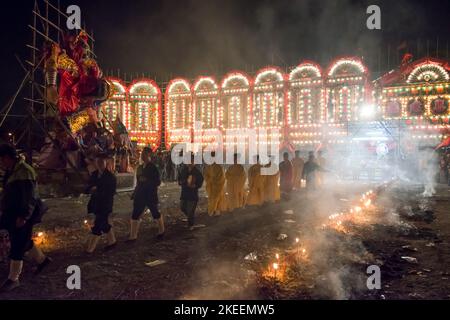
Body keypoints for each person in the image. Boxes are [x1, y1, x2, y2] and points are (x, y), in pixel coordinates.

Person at [0, 144, 51, 292]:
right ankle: (43, 260)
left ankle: (13, 278)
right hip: (12, 212)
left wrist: (24, 216)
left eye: (2, 160)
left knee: (17, 244)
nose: (1, 163)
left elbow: (30, 197)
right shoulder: (12, 170)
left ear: (8, 158)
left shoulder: (25, 172)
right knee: (23, 240)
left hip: (22, 214)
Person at [128, 147, 164, 241]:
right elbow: (138, 183)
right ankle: (133, 236)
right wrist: (135, 193)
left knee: (155, 213)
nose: (142, 156)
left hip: (150, 195)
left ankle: (161, 230)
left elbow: (158, 182)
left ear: (149, 155)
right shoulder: (139, 168)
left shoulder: (153, 168)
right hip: (140, 195)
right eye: (142, 154)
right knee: (135, 214)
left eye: (144, 154)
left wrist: (148, 181)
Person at [85, 154, 117, 253]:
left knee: (98, 225)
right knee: (104, 224)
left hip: (105, 204)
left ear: (105, 163)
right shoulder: (94, 174)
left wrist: (98, 189)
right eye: (97, 162)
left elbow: (111, 192)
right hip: (95, 203)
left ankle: (90, 250)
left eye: (101, 162)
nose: (99, 164)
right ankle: (112, 241)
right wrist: (90, 189)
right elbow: (88, 187)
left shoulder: (110, 177)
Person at [178, 154, 204, 230]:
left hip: (192, 195)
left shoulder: (197, 172)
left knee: (190, 210)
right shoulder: (184, 170)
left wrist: (195, 185)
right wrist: (181, 182)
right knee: (182, 207)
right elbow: (179, 179)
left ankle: (190, 224)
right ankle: (190, 217)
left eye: (192, 161)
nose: (190, 162)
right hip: (184, 193)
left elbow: (200, 182)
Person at [203, 152, 226, 216]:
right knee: (212, 198)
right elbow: (205, 175)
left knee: (216, 198)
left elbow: (221, 178)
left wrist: (213, 181)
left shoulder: (219, 167)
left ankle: (213, 211)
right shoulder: (209, 166)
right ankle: (214, 210)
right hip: (210, 186)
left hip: (217, 186)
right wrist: (209, 180)